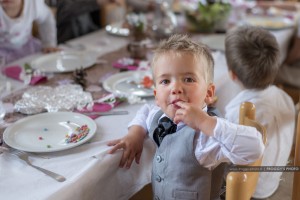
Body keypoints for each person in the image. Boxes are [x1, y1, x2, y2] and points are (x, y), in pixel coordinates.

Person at [107, 34, 265, 199]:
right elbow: (145, 110)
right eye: (165, 81)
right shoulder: (160, 113)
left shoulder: (205, 138)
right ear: (156, 95)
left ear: (209, 93)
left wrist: (206, 123)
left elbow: (255, 147)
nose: (175, 88)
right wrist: (136, 133)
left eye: (188, 79)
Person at [224, 26, 295, 199]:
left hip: (251, 190)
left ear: (232, 75)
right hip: (274, 180)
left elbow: (225, 158)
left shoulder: (239, 112)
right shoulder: (286, 97)